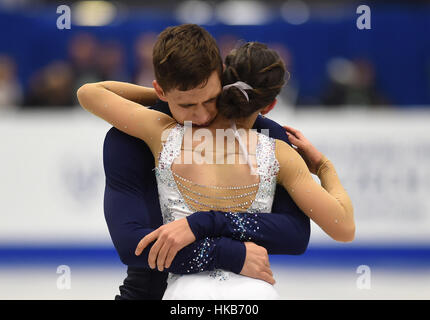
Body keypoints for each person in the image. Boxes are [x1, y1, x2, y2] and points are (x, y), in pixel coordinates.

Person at [77, 31, 355, 299]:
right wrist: (323, 167)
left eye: (209, 99)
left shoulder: (265, 137)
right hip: (163, 290)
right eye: (186, 104)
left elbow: (294, 235)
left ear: (222, 78)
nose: (199, 115)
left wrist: (202, 223)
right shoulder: (135, 136)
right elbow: (132, 246)